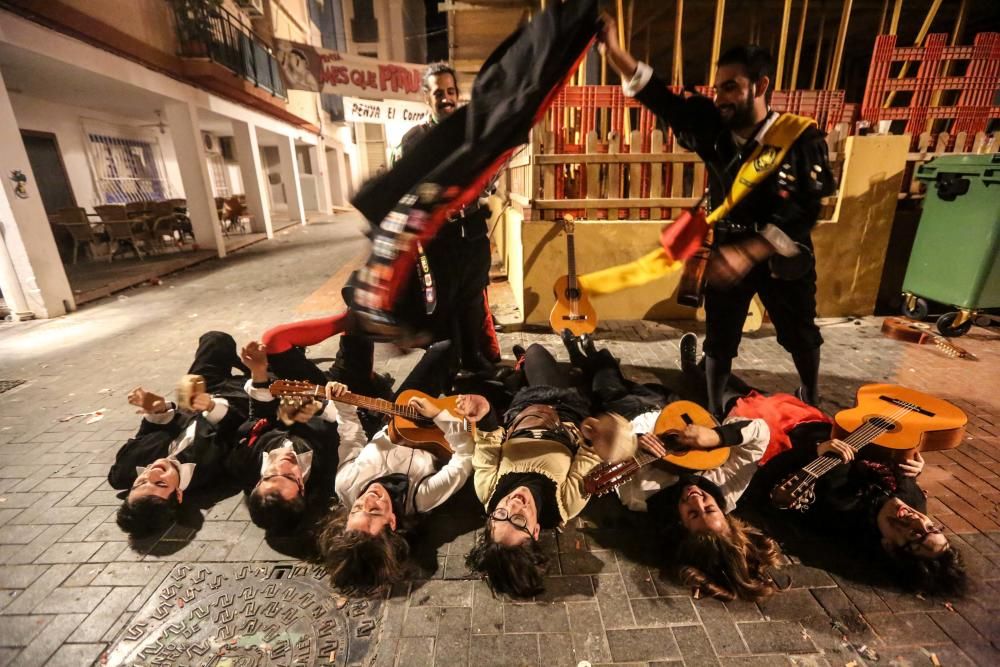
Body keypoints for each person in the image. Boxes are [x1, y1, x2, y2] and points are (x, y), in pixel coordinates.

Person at [598, 17, 836, 418]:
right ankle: (711, 408)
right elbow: (662, 99)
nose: (721, 97)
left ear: (760, 86)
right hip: (726, 244)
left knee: (800, 334)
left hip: (782, 254)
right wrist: (616, 54)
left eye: (731, 87)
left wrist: (753, 250)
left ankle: (811, 397)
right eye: (718, 87)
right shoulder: (714, 128)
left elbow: (806, 207)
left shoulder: (800, 138)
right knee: (720, 337)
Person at [568, 332, 782, 602]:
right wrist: (716, 437)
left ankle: (583, 351)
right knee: (633, 377)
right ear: (725, 514)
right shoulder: (728, 488)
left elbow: (605, 454)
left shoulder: (644, 498)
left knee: (605, 379)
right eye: (709, 508)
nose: (696, 499)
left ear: (681, 525)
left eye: (692, 514)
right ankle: (595, 350)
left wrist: (634, 444)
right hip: (672, 409)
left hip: (627, 414)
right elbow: (760, 433)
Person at [462, 344, 621, 597]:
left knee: (500, 379)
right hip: (566, 410)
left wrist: (483, 414)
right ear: (535, 531)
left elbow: (488, 442)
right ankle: (528, 366)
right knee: (539, 353)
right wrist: (597, 437)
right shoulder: (564, 506)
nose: (513, 505)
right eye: (519, 520)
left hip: (523, 411)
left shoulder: (487, 493)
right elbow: (589, 455)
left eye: (501, 514)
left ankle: (520, 370)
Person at [749, 429, 966, 597]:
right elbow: (893, 459)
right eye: (932, 528)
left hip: (787, 433)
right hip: (835, 426)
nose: (918, 521)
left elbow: (768, 479)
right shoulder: (915, 501)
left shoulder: (839, 510)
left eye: (915, 535)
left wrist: (815, 450)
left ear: (889, 547)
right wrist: (913, 465)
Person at [315, 375, 475, 594]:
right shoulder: (421, 498)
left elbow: (352, 438)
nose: (369, 498)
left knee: (442, 349)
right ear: (391, 522)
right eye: (374, 510)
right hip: (439, 427)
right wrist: (439, 415)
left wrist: (342, 405)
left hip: (399, 416)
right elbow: (465, 457)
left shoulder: (345, 484)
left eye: (357, 508)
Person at [389, 62, 500, 375]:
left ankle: (474, 356)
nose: (447, 98)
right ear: (427, 97)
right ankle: (446, 365)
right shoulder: (412, 141)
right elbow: (401, 192)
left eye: (451, 91)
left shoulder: (472, 134)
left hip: (473, 228)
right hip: (439, 236)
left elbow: (489, 184)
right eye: (439, 93)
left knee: (473, 295)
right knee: (444, 301)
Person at [109, 331, 250, 538]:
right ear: (178, 494)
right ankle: (252, 369)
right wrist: (211, 406)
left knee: (215, 339)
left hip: (193, 397)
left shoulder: (122, 473)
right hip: (236, 400)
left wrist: (158, 409)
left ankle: (241, 364)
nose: (151, 473)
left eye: (141, 483)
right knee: (274, 363)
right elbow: (239, 429)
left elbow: (146, 433)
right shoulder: (213, 476)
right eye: (160, 484)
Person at [225, 341, 340, 534]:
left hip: (288, 386)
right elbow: (356, 427)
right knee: (358, 335)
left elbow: (258, 419)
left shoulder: (244, 463)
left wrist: (258, 372)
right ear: (302, 489)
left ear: (258, 482)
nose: (282, 465)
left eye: (270, 475)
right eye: (289, 476)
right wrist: (319, 408)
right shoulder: (329, 475)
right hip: (337, 394)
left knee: (275, 340)